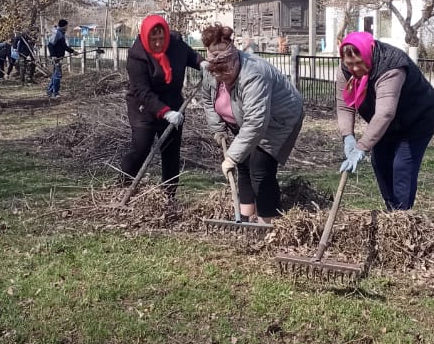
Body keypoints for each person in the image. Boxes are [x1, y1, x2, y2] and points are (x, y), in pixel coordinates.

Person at [201, 24, 304, 224]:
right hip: (245, 119)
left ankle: (268, 222)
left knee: (260, 168)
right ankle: (245, 217)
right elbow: (208, 100)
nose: (221, 78)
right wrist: (218, 129)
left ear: (233, 60)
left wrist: (231, 157)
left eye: (226, 73)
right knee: (244, 164)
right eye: (217, 74)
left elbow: (256, 122)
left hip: (279, 119)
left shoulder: (253, 74)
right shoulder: (209, 69)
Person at [336, 30, 434, 211]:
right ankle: (391, 210)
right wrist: (348, 136)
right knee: (380, 162)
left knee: (402, 166)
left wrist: (362, 147)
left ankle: (401, 216)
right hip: (387, 124)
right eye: (349, 64)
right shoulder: (345, 70)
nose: (354, 69)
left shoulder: (391, 66)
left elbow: (385, 113)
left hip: (417, 119)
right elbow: (344, 106)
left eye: (358, 63)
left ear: (367, 55)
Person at [119, 14, 204, 205]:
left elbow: (190, 56)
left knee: (171, 154)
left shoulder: (175, 43)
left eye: (161, 39)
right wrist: (165, 112)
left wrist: (202, 64)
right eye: (153, 39)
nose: (158, 43)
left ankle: (169, 198)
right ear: (146, 37)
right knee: (140, 149)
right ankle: (122, 188)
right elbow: (142, 91)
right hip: (144, 108)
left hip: (174, 105)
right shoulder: (137, 56)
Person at [45, 18, 78, 97]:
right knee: (58, 75)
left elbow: (64, 46)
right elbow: (50, 45)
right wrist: (53, 56)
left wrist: (73, 51)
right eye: (67, 26)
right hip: (56, 58)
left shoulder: (61, 33)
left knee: (55, 74)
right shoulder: (57, 33)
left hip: (59, 57)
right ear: (64, 26)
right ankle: (55, 93)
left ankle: (50, 91)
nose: (67, 27)